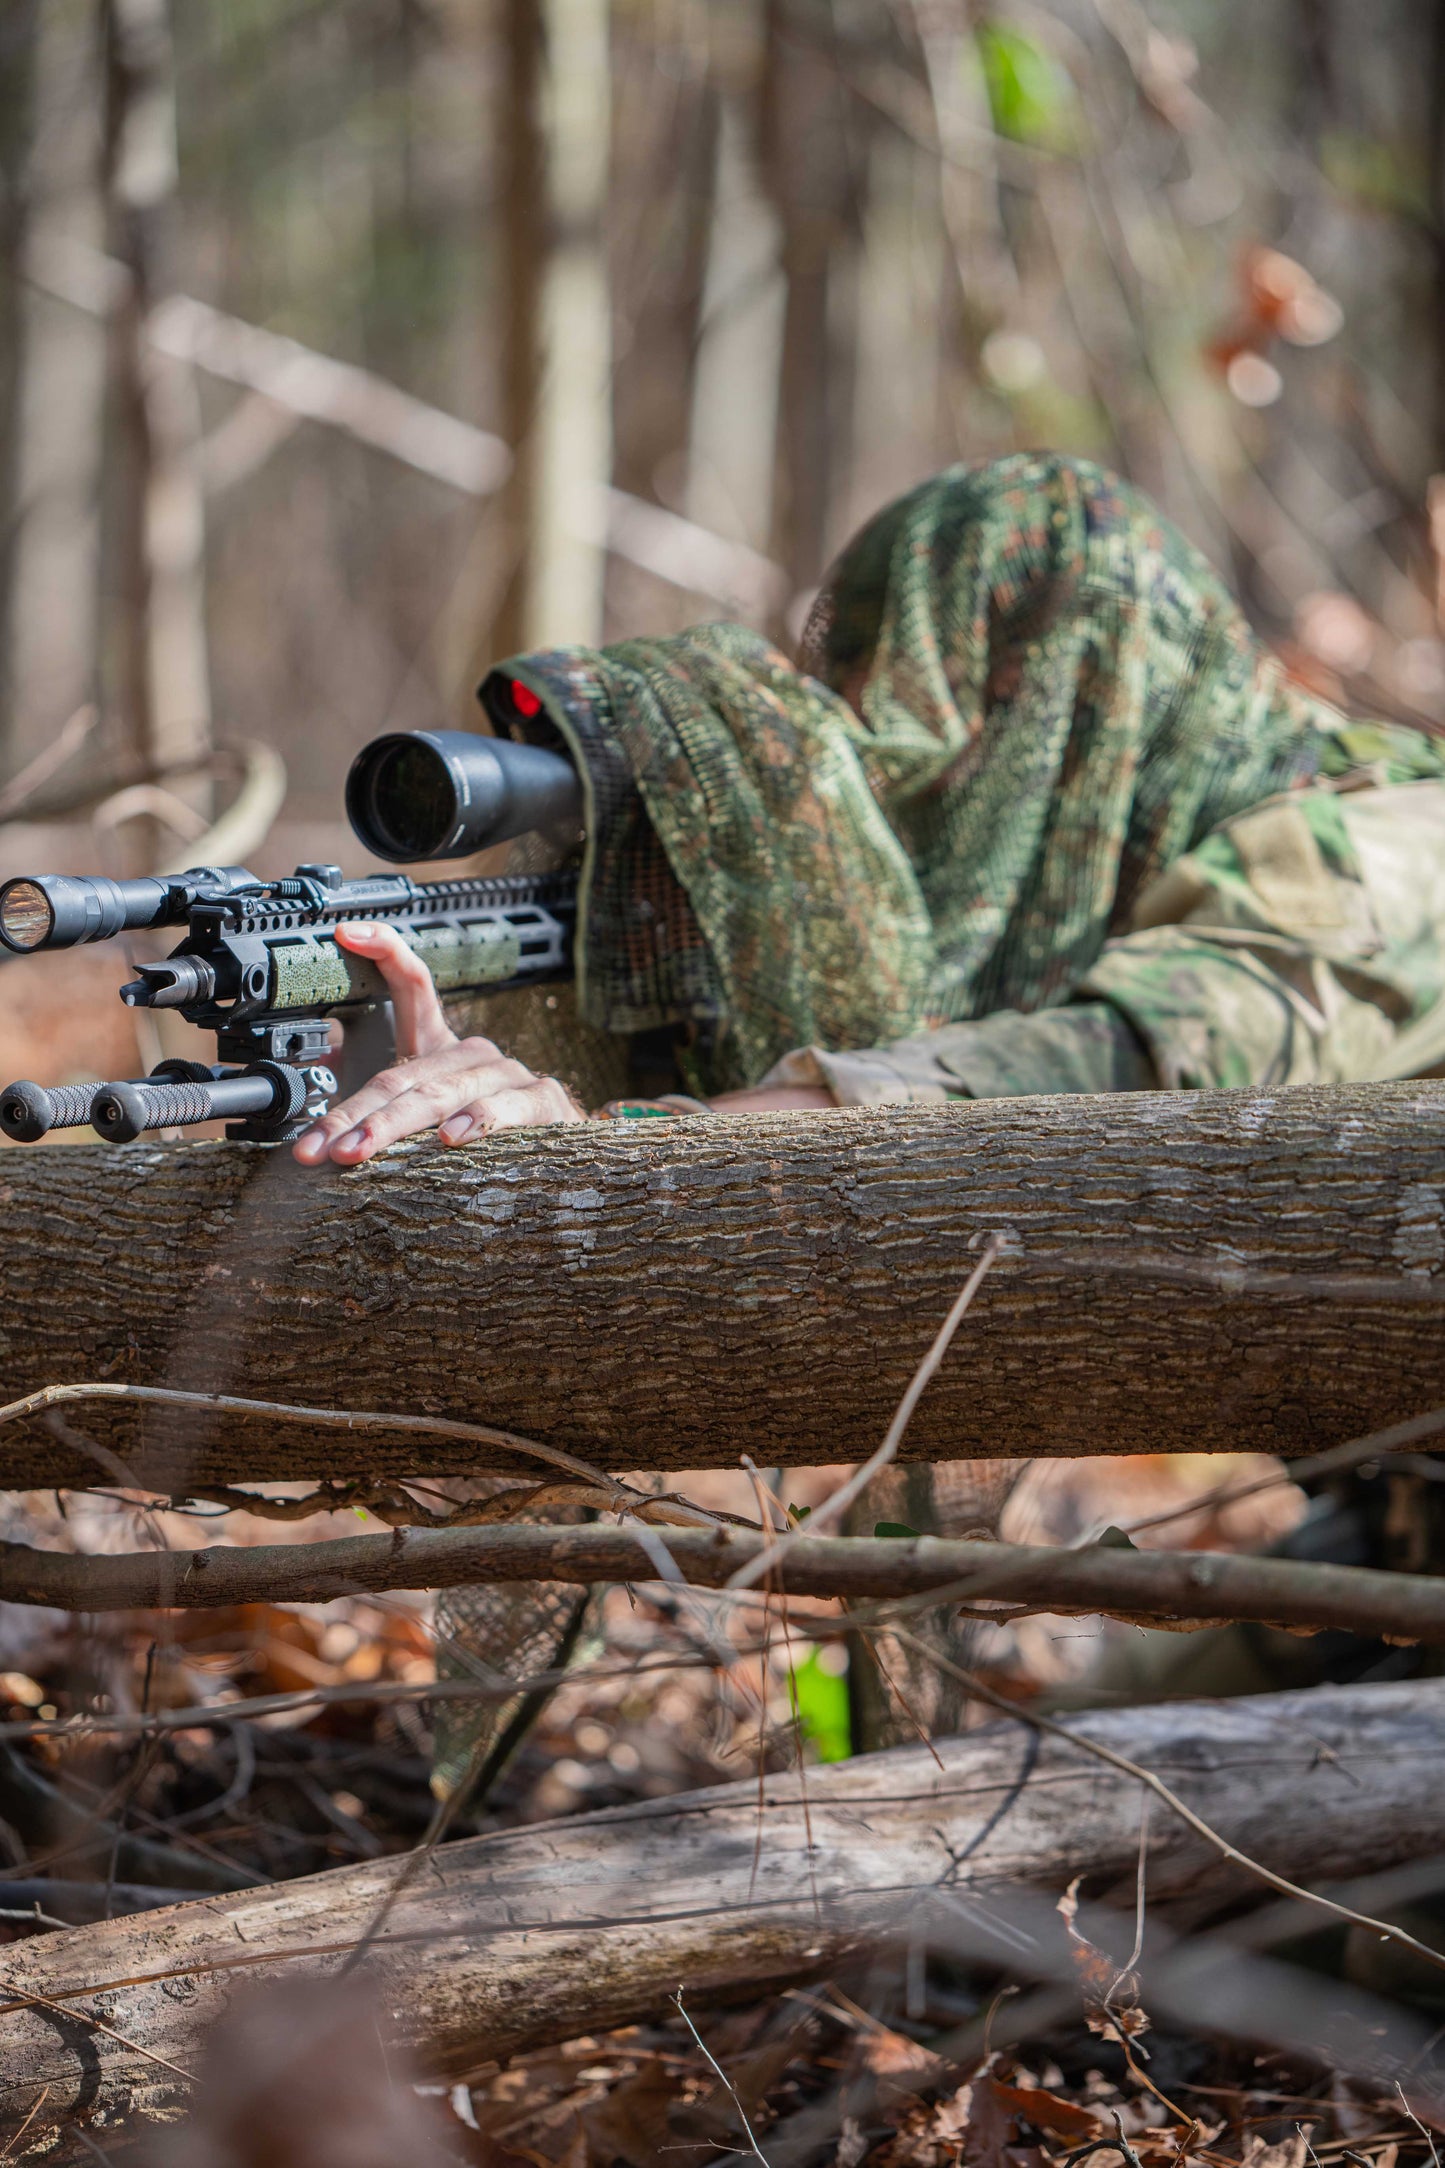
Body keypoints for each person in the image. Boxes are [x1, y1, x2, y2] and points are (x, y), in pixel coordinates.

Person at [292, 451, 1445, 1172]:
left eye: (980, 758)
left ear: (1096, 712)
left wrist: (613, 1146)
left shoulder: (1387, 853)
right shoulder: (1191, 840)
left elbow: (1106, 1070)